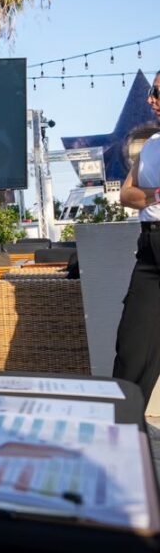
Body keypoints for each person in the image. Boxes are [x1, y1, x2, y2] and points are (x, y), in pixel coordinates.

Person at [113, 71, 160, 405]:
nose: (150, 99)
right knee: (133, 347)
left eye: (157, 92)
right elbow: (125, 195)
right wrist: (155, 193)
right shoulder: (152, 144)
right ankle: (123, 426)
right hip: (150, 249)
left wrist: (146, 195)